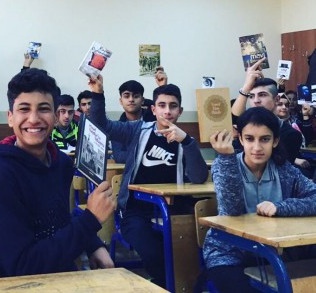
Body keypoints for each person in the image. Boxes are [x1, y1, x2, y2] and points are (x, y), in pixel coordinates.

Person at [0, 68, 115, 279]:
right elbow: (23, 266)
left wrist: (93, 243)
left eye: (43, 109)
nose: (33, 119)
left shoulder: (61, 164)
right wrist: (90, 220)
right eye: (24, 109)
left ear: (55, 117)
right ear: (10, 118)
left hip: (59, 279)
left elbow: (58, 221)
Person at [88, 74, 208, 287]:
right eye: (162, 105)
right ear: (153, 109)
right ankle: (165, 286)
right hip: (135, 210)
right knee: (154, 253)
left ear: (180, 110)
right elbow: (101, 126)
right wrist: (97, 93)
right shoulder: (139, 130)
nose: (167, 111)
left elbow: (199, 177)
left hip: (172, 209)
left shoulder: (185, 140)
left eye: (173, 106)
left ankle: (181, 285)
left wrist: (187, 142)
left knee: (193, 252)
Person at [204, 107, 316, 292]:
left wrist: (280, 207)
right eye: (249, 139)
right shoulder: (224, 164)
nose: (257, 147)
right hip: (230, 253)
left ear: (275, 141)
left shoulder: (284, 169)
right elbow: (231, 210)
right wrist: (226, 157)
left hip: (274, 252)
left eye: (265, 139)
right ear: (240, 139)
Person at [231, 59, 303, 165]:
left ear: (277, 100)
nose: (256, 100)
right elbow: (235, 118)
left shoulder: (291, 135)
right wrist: (246, 87)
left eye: (262, 95)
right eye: (251, 96)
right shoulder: (244, 128)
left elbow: (278, 168)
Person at [114, 68, 168, 163]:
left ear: (142, 100)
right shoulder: (118, 127)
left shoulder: (154, 119)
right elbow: (119, 157)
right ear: (121, 101)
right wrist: (148, 151)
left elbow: (165, 111)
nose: (131, 99)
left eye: (136, 96)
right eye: (126, 96)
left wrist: (162, 87)